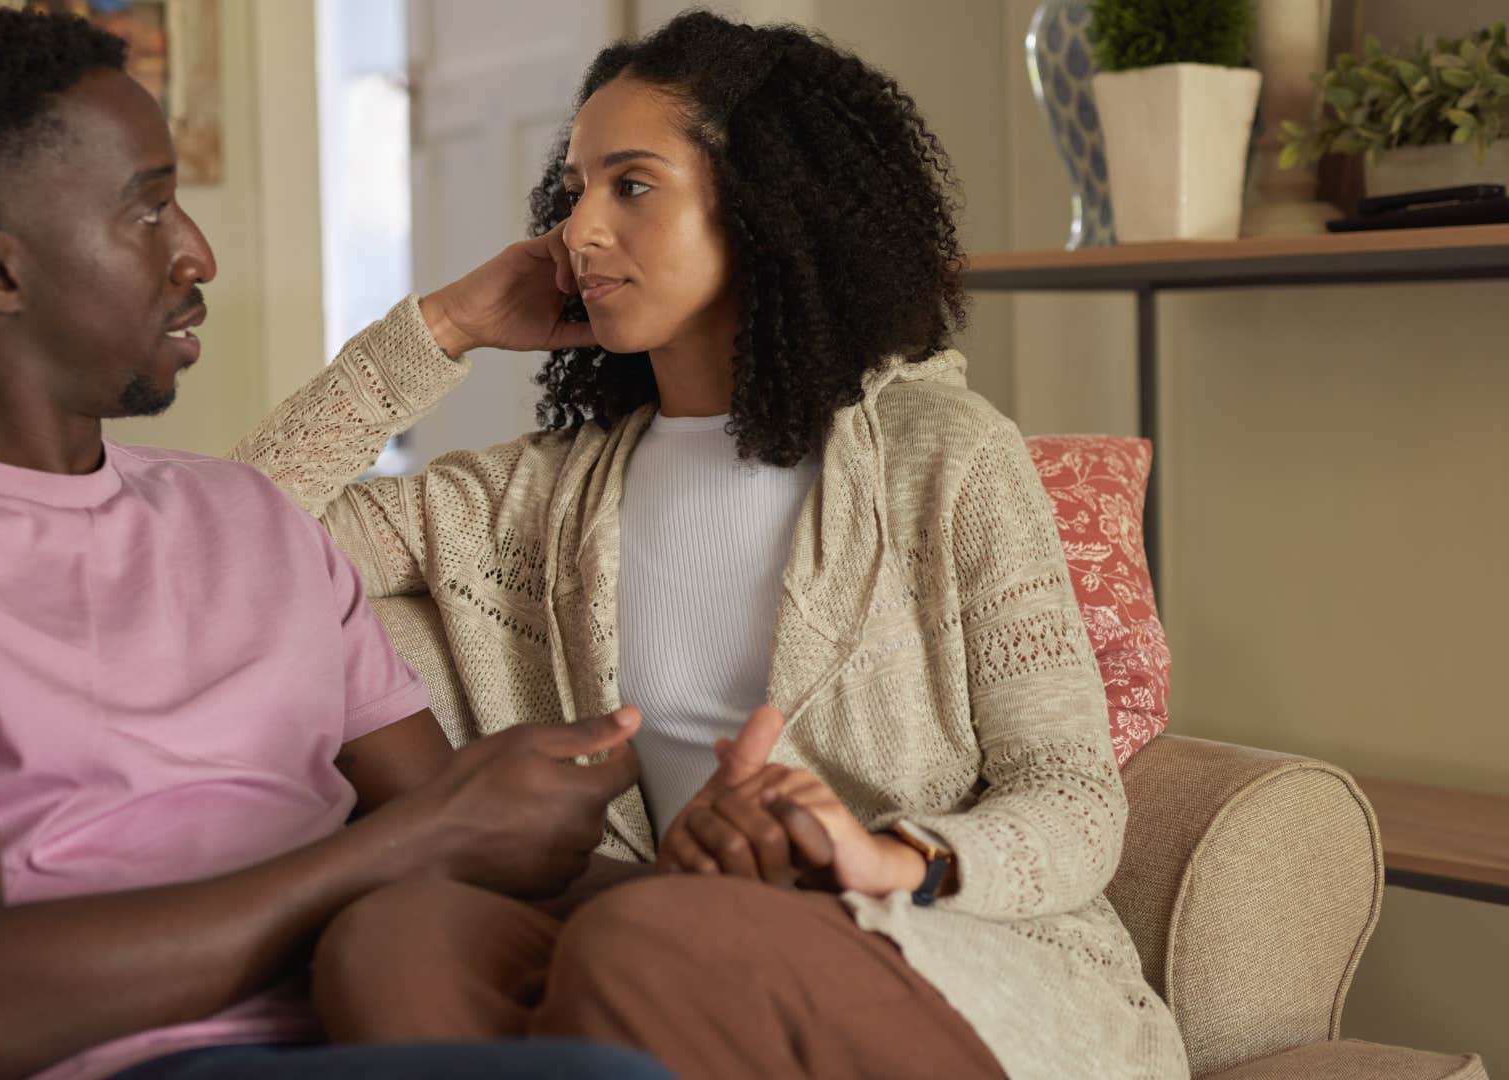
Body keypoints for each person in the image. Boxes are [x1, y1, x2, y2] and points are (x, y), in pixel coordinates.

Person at [232, 11, 1193, 1080]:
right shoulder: (532, 499)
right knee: (393, 939)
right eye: (575, 190)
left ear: (766, 209)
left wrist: (895, 857)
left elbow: (1069, 788)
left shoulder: (945, 456)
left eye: (631, 186)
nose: (578, 232)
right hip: (651, 925)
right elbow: (232, 545)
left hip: (933, 946)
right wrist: (441, 329)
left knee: (644, 944)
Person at [0, 10, 676, 1080]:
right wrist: (407, 847)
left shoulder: (248, 516)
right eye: (149, 210)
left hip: (382, 1017)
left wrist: (762, 897)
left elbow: (468, 843)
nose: (198, 253)